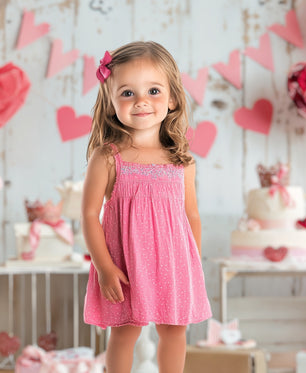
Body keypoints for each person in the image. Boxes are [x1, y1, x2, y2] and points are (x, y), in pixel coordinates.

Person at [82, 41, 211, 373]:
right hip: (126, 265)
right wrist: (104, 267)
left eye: (153, 90)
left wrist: (192, 263)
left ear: (171, 99)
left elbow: (191, 215)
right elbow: (88, 215)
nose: (141, 101)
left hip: (174, 263)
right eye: (127, 93)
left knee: (175, 330)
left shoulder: (181, 161)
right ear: (111, 104)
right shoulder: (109, 158)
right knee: (125, 332)